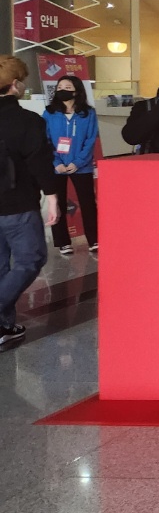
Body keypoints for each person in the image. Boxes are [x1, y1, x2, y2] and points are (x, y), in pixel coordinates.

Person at [0, 56, 61, 349]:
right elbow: (39, 163)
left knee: (1, 266)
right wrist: (53, 198)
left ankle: (4, 327)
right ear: (15, 85)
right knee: (31, 259)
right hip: (18, 204)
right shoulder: (28, 121)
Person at [43, 75, 99, 256]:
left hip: (81, 166)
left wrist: (78, 162)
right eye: (60, 87)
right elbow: (45, 140)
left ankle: (94, 239)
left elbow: (90, 140)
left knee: (88, 203)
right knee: (58, 203)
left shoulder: (88, 113)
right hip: (57, 166)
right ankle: (63, 242)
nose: (62, 90)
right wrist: (56, 162)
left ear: (76, 91)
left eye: (67, 87)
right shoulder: (49, 113)